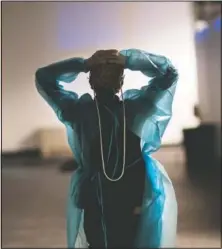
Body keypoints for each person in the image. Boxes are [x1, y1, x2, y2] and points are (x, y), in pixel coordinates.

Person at [35, 49, 178, 248]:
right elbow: (168, 74)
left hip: (105, 200)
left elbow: (44, 78)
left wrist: (83, 64)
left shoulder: (80, 113)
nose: (105, 79)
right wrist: (130, 60)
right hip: (122, 198)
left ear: (90, 81)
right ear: (122, 81)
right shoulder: (135, 111)